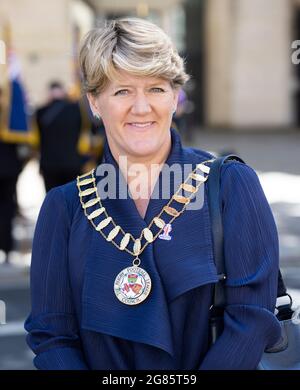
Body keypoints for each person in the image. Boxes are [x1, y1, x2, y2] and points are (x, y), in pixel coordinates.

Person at [24, 17, 281, 370]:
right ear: (95, 103)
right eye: (122, 91)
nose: (141, 107)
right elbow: (52, 336)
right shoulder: (64, 207)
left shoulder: (231, 185)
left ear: (176, 97)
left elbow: (251, 320)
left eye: (156, 89)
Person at [35, 81, 83, 192]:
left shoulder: (41, 112)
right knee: (74, 199)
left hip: (49, 164)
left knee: (53, 198)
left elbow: (37, 140)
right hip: (72, 162)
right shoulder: (76, 110)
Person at [0, 87, 23, 264]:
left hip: (8, 169)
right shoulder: (10, 115)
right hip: (9, 168)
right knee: (7, 209)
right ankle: (7, 248)